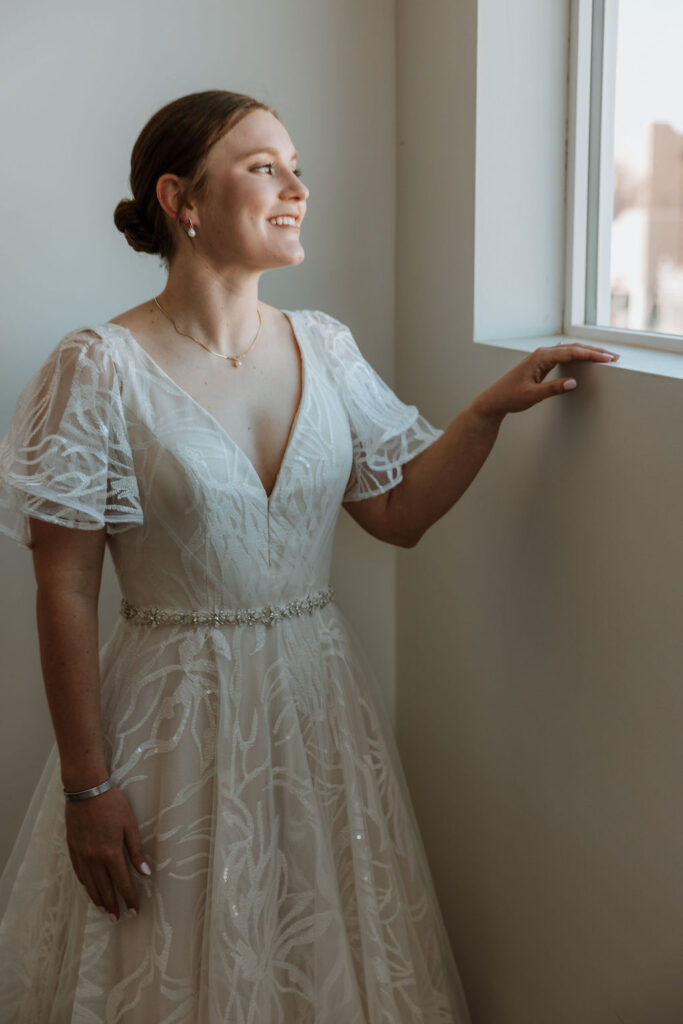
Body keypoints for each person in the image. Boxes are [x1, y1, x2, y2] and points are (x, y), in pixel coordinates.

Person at [0, 89, 619, 1023]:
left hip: (317, 708)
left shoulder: (323, 346)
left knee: (322, 953)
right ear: (182, 199)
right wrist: (89, 788)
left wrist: (483, 414)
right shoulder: (97, 368)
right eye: (263, 167)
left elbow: (398, 514)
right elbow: (65, 586)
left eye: (297, 167)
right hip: (166, 725)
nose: (295, 188)